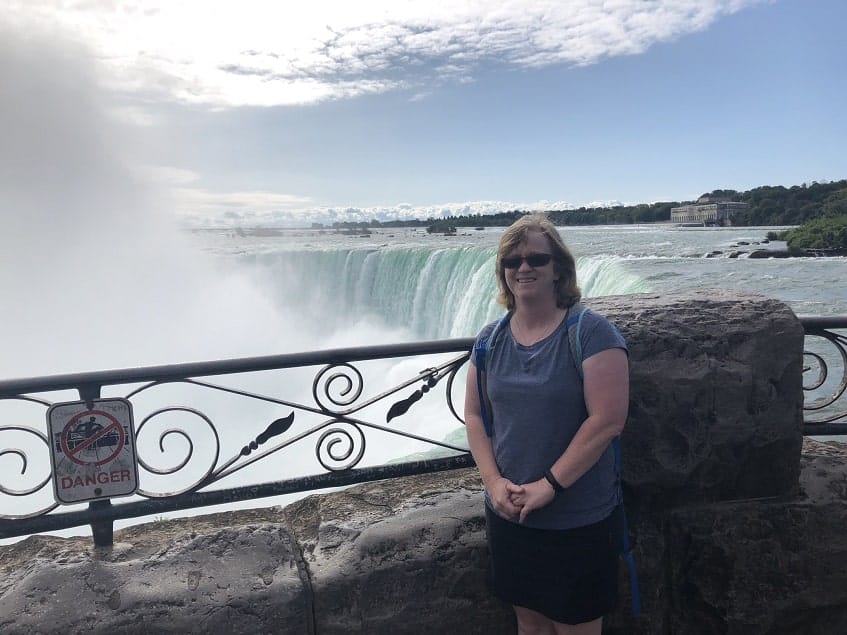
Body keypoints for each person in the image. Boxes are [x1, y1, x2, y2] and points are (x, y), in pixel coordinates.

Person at [464, 214, 629, 635]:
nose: (524, 268)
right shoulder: (489, 339)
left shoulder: (591, 333)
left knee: (576, 627)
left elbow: (608, 420)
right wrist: (493, 484)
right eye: (512, 260)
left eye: (537, 258)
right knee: (529, 624)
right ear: (502, 272)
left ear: (559, 268)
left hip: (576, 519)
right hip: (510, 515)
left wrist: (549, 486)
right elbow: (476, 416)